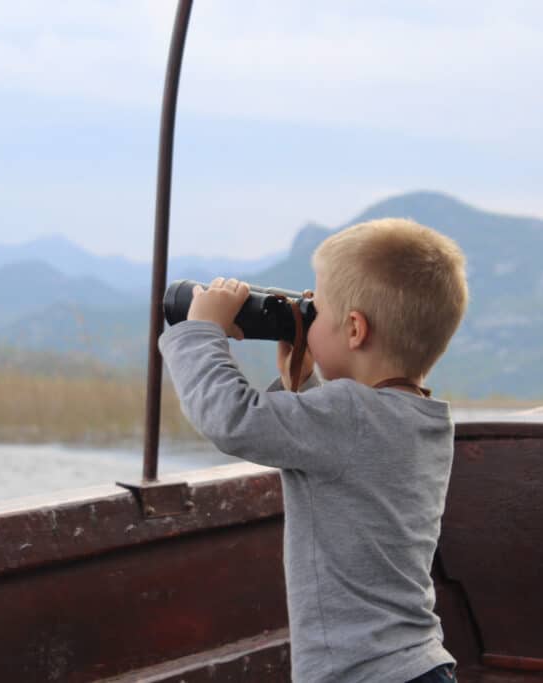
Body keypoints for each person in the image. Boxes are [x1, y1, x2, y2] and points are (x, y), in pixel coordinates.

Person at [157, 217, 469, 683]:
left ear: (355, 329)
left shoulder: (347, 415)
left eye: (314, 309)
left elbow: (231, 419)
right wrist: (297, 385)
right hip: (416, 665)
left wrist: (202, 331)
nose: (304, 315)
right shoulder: (422, 420)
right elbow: (340, 452)